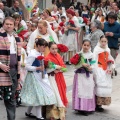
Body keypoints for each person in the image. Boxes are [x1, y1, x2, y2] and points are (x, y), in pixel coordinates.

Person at [21, 38, 56, 120]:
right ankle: (39, 116)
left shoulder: (40, 53)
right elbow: (26, 66)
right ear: (38, 45)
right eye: (43, 47)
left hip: (41, 75)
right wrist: (37, 68)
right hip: (33, 77)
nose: (44, 49)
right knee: (38, 96)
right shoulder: (32, 54)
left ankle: (28, 112)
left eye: (45, 47)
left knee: (35, 96)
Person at [0, 17, 21, 120]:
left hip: (13, 70)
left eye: (10, 24)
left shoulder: (16, 37)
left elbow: (18, 55)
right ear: (3, 24)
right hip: (1, 71)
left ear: (14, 25)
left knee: (11, 98)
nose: (8, 26)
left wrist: (18, 72)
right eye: (7, 24)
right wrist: (0, 64)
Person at [45, 42, 68, 120]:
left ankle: (60, 111)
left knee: (62, 91)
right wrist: (54, 70)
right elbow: (47, 70)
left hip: (60, 76)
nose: (55, 50)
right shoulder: (48, 58)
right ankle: (53, 114)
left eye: (56, 48)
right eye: (53, 49)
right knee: (56, 94)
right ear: (49, 49)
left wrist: (61, 69)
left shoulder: (58, 55)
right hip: (53, 78)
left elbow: (63, 66)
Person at [72, 40, 95, 116]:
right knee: (80, 90)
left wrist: (90, 67)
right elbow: (75, 65)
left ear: (90, 46)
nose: (86, 47)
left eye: (87, 45)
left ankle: (87, 107)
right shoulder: (79, 54)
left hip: (88, 75)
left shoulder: (92, 55)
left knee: (87, 90)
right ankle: (79, 107)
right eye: (84, 45)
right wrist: (81, 65)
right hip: (80, 75)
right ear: (82, 45)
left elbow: (94, 64)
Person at [93, 36, 115, 112]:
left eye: (105, 41)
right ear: (99, 41)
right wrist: (95, 70)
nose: (103, 43)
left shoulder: (108, 49)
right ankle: (97, 104)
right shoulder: (96, 50)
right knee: (98, 86)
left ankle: (102, 103)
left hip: (106, 71)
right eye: (102, 41)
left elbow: (110, 59)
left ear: (107, 42)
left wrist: (111, 67)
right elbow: (94, 60)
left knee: (105, 86)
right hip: (99, 69)